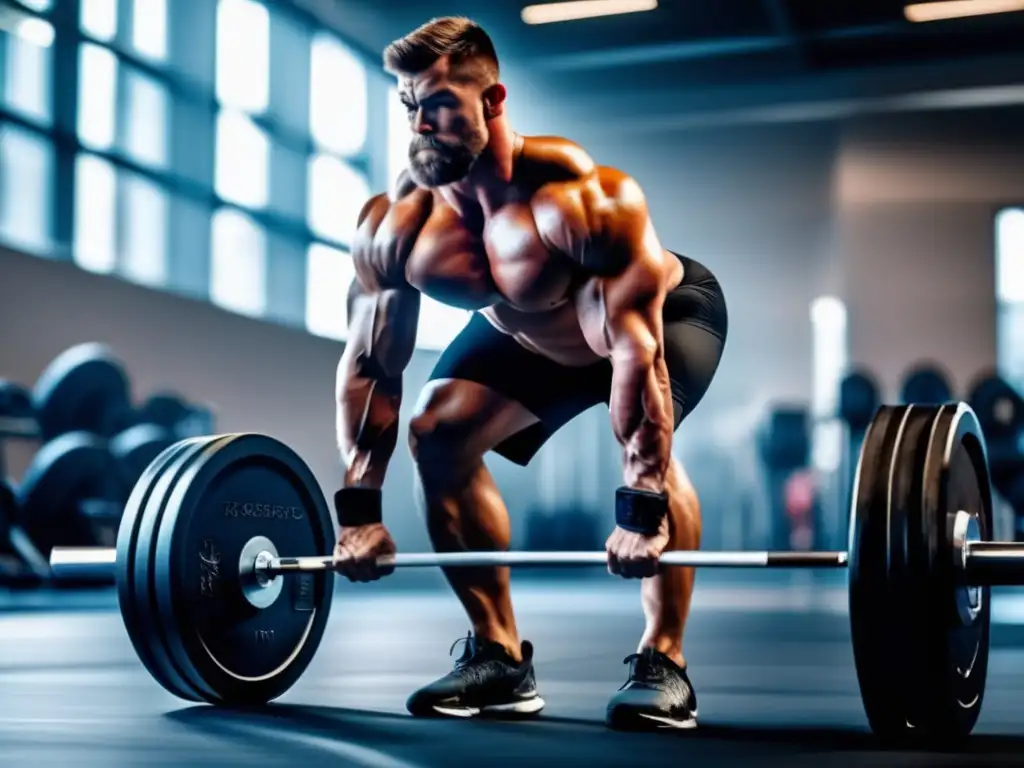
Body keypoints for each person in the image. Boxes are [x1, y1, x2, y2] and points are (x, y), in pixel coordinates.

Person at [332, 16, 728, 731]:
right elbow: (370, 363)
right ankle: (499, 656)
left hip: (658, 321)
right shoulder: (398, 226)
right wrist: (359, 511)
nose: (422, 123)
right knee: (436, 433)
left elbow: (636, 354)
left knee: (655, 455)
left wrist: (640, 508)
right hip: (530, 335)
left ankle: (665, 660)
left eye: (441, 104)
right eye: (409, 106)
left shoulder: (580, 199)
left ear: (493, 101)